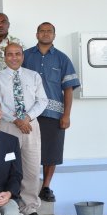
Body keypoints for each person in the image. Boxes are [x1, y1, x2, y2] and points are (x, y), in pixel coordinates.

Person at [0, 43, 48, 215]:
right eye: (10, 54)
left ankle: (29, 207)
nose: (14, 57)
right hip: (7, 126)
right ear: (4, 57)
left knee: (31, 167)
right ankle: (7, 204)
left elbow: (42, 100)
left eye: (17, 54)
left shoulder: (34, 76)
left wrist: (27, 118)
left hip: (30, 126)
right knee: (6, 167)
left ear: (23, 56)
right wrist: (16, 120)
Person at [23, 22, 81, 202]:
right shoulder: (25, 56)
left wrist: (66, 115)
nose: (46, 34)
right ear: (36, 34)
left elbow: (69, 89)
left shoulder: (62, 59)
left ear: (54, 35)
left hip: (53, 114)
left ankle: (46, 187)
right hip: (29, 114)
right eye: (42, 31)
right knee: (26, 151)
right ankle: (25, 187)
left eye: (49, 31)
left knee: (52, 151)